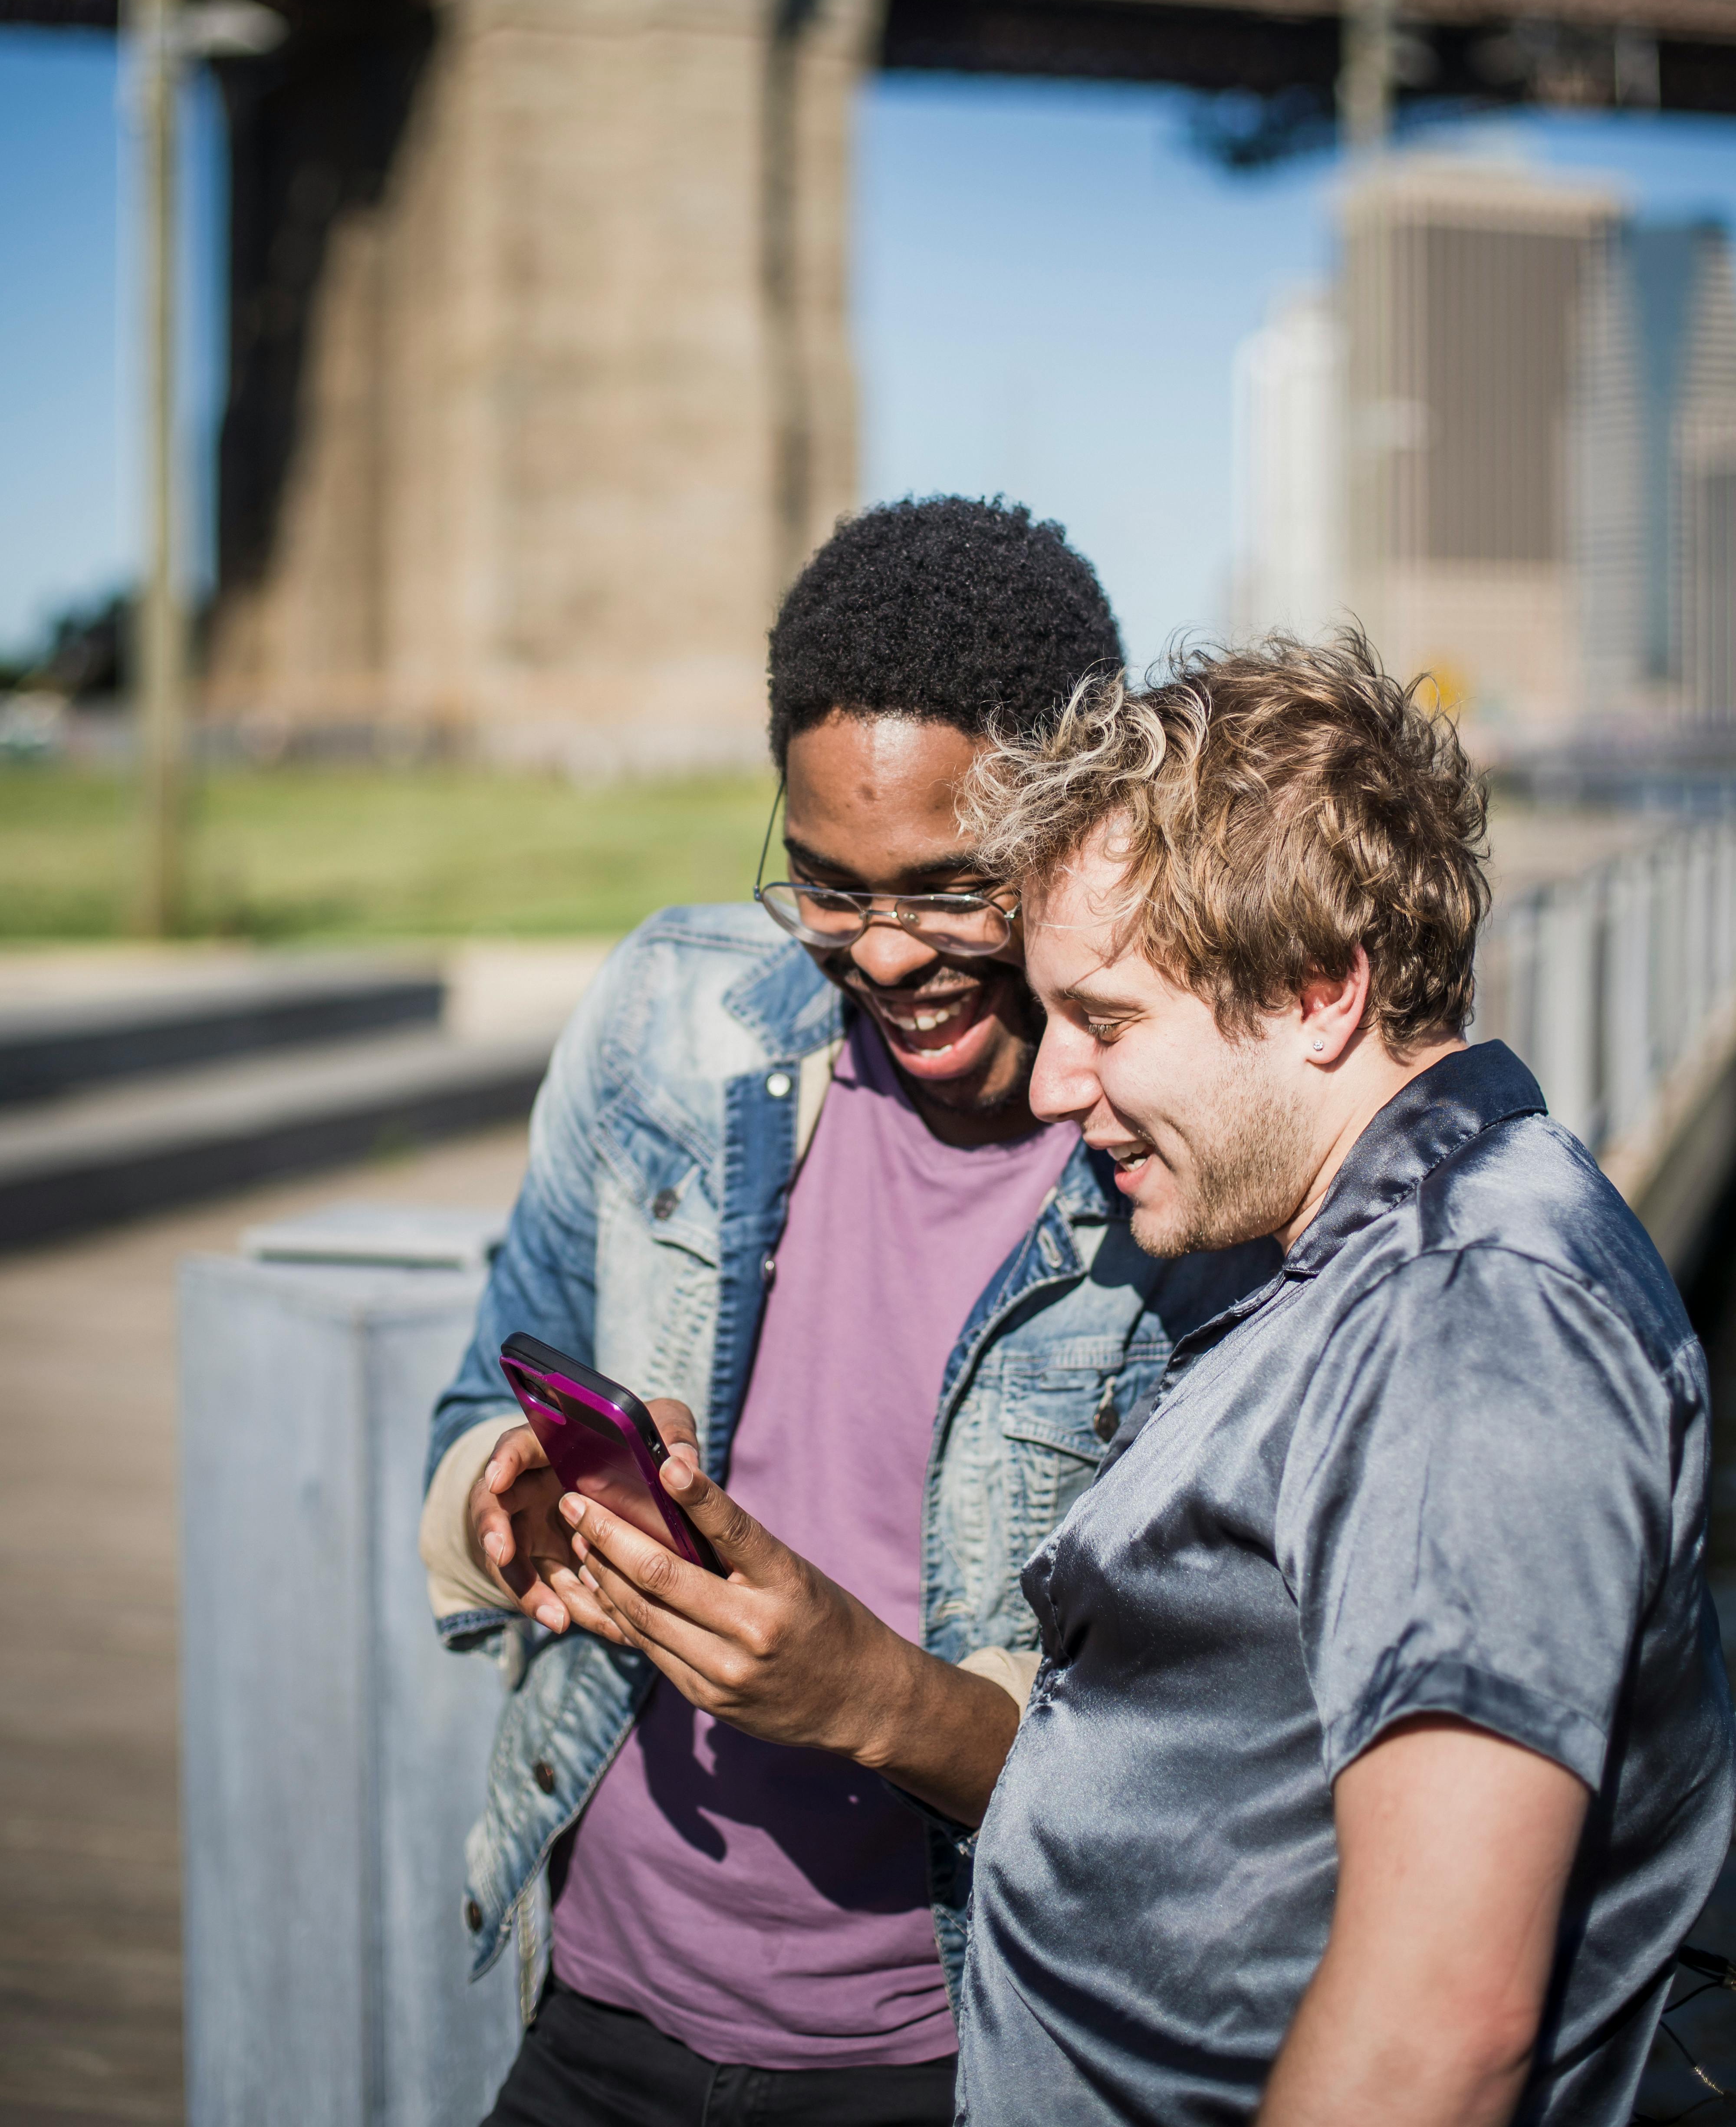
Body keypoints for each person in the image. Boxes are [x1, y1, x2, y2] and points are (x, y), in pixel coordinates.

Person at [560, 633, 1735, 2127]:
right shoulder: (1353, 1257)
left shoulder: (1472, 1323)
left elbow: (1439, 2031)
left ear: (1320, 990)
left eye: (1107, 1023)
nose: (1057, 1084)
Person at [419, 498, 1274, 2127]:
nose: (885, 951)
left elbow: (1215, 1774)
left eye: (957, 893)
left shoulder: (1196, 1155)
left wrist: (872, 1698)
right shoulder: (665, 1018)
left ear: (1080, 827)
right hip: (599, 2001)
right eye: (825, 887)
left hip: (959, 2057)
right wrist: (505, 1504)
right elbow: (478, 1397)